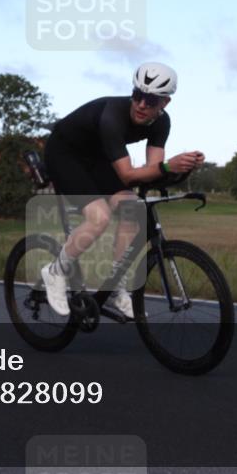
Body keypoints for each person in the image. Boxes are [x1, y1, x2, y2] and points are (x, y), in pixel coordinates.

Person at [41, 62, 204, 319]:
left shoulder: (162, 124)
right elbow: (129, 174)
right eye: (137, 95)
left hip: (97, 157)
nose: (140, 104)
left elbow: (153, 172)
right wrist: (167, 165)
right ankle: (55, 271)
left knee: (132, 210)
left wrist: (182, 169)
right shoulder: (112, 116)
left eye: (150, 100)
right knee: (100, 217)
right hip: (65, 153)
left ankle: (116, 288)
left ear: (165, 103)